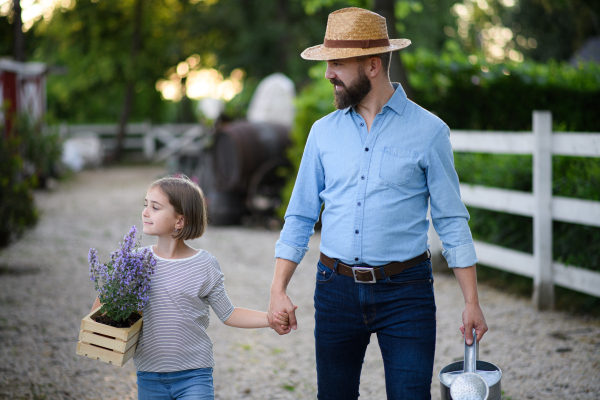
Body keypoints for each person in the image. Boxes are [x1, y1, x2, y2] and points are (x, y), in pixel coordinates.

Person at [267, 7, 488, 400]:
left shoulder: (429, 132)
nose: (327, 73)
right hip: (334, 290)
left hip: (407, 293)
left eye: (337, 63)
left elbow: (452, 221)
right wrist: (277, 289)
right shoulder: (322, 134)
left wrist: (471, 302)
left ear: (372, 66)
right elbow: (300, 215)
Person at [91, 174, 290, 400]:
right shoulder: (136, 261)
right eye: (145, 205)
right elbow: (104, 306)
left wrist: (270, 319)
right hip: (149, 375)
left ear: (180, 221)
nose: (145, 212)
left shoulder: (204, 264)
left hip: (194, 375)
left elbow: (229, 313)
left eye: (155, 207)